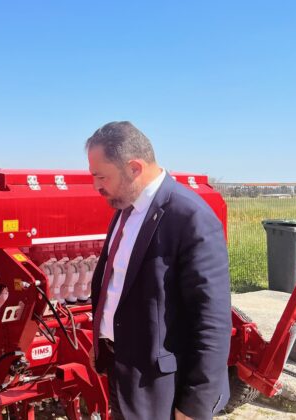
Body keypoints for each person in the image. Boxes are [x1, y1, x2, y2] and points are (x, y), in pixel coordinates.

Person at [87, 121, 231, 420]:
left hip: (160, 384)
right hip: (121, 369)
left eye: (102, 176)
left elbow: (211, 320)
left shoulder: (188, 216)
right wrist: (101, 340)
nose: (96, 186)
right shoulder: (125, 209)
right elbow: (117, 287)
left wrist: (194, 405)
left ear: (135, 168)